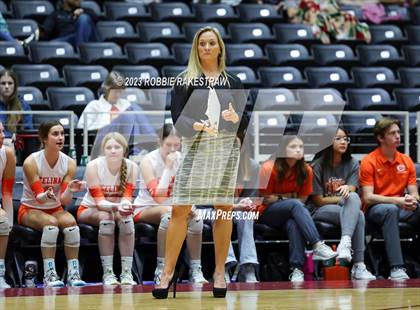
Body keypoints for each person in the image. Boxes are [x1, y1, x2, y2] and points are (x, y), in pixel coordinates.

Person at [153, 26, 248, 299]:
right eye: (201, 44)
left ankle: (219, 271)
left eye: (211, 43)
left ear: (219, 48)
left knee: (222, 210)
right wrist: (195, 124)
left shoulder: (234, 82)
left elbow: (244, 119)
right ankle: (167, 272)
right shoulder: (185, 80)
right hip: (195, 148)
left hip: (225, 150)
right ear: (196, 49)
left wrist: (234, 120)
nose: (206, 47)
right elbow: (177, 118)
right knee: (180, 209)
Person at [133, 124, 207, 284]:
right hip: (146, 208)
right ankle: (161, 268)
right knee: (168, 215)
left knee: (196, 220)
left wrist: (191, 207)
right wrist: (167, 168)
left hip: (174, 207)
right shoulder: (148, 161)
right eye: (168, 145)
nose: (173, 150)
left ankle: (196, 269)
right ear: (159, 141)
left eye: (176, 145)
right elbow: (158, 197)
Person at [258, 134, 337, 282]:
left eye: (301, 147)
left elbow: (302, 199)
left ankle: (297, 269)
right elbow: (266, 199)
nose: (298, 150)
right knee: (295, 205)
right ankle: (317, 244)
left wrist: (281, 197)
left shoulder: (306, 170)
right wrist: (289, 197)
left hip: (291, 212)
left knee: (293, 223)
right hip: (266, 213)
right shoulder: (268, 168)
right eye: (293, 147)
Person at [19, 120, 86, 288]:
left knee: (71, 224)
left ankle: (73, 273)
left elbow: (64, 201)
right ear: (44, 138)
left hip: (55, 208)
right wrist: (46, 194)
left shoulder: (69, 163)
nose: (60, 138)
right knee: (51, 224)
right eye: (55, 134)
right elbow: (39, 197)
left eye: (62, 134)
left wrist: (70, 190)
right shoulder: (31, 162)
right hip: (30, 208)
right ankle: (49, 275)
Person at [311, 127, 375, 280]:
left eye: (345, 139)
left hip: (345, 207)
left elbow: (352, 190)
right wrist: (342, 199)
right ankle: (358, 264)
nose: (343, 142)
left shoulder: (353, 163)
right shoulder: (318, 165)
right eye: (338, 138)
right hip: (321, 210)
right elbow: (318, 200)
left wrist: (347, 191)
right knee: (356, 211)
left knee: (357, 209)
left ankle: (345, 243)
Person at [360, 117, 420, 280]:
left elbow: (414, 192)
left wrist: (413, 200)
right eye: (392, 133)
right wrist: (397, 200)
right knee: (390, 209)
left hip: (401, 207)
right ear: (380, 138)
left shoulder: (406, 160)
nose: (398, 136)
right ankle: (397, 268)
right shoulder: (369, 161)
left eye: (398, 132)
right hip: (375, 210)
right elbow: (368, 197)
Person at [77, 132, 138, 285]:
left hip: (115, 210)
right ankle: (108, 273)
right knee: (107, 218)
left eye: (117, 147)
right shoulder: (93, 166)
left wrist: (126, 206)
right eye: (109, 147)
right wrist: (120, 206)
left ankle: (126, 273)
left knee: (126, 220)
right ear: (103, 150)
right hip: (89, 209)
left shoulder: (131, 167)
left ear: (124, 150)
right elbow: (100, 203)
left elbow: (127, 198)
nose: (113, 150)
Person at [199, 127, 259, 283]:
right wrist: (236, 206)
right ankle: (224, 265)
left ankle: (248, 266)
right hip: (206, 211)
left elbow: (253, 198)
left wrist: (247, 204)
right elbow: (209, 202)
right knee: (221, 215)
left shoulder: (251, 166)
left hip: (235, 210)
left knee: (246, 215)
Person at [77, 71, 156, 157]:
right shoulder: (95, 105)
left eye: (120, 91)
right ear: (106, 88)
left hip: (125, 138)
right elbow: (81, 129)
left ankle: (152, 143)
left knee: (134, 108)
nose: (118, 95)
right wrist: (108, 123)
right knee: (129, 113)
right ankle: (137, 151)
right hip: (103, 138)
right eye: (115, 91)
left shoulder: (125, 104)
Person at [0, 122, 15, 288]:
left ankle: (0, 274)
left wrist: (9, 221)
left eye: (3, 131)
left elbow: (7, 192)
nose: (3, 136)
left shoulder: (7, 154)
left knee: (3, 222)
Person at [0, 69, 33, 139]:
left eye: (10, 83)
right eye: (3, 83)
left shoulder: (23, 105)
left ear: (15, 86)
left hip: (15, 145)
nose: (6, 86)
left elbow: (28, 131)